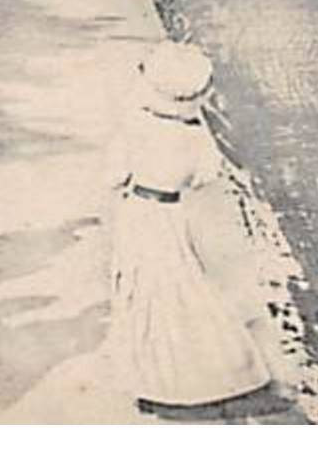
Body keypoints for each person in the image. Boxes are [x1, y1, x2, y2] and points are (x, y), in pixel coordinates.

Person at [109, 41, 269, 411]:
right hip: (172, 215)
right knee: (184, 283)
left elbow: (114, 175)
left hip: (138, 213)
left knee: (143, 288)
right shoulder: (196, 137)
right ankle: (214, 370)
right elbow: (204, 177)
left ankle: (153, 377)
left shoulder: (134, 124)